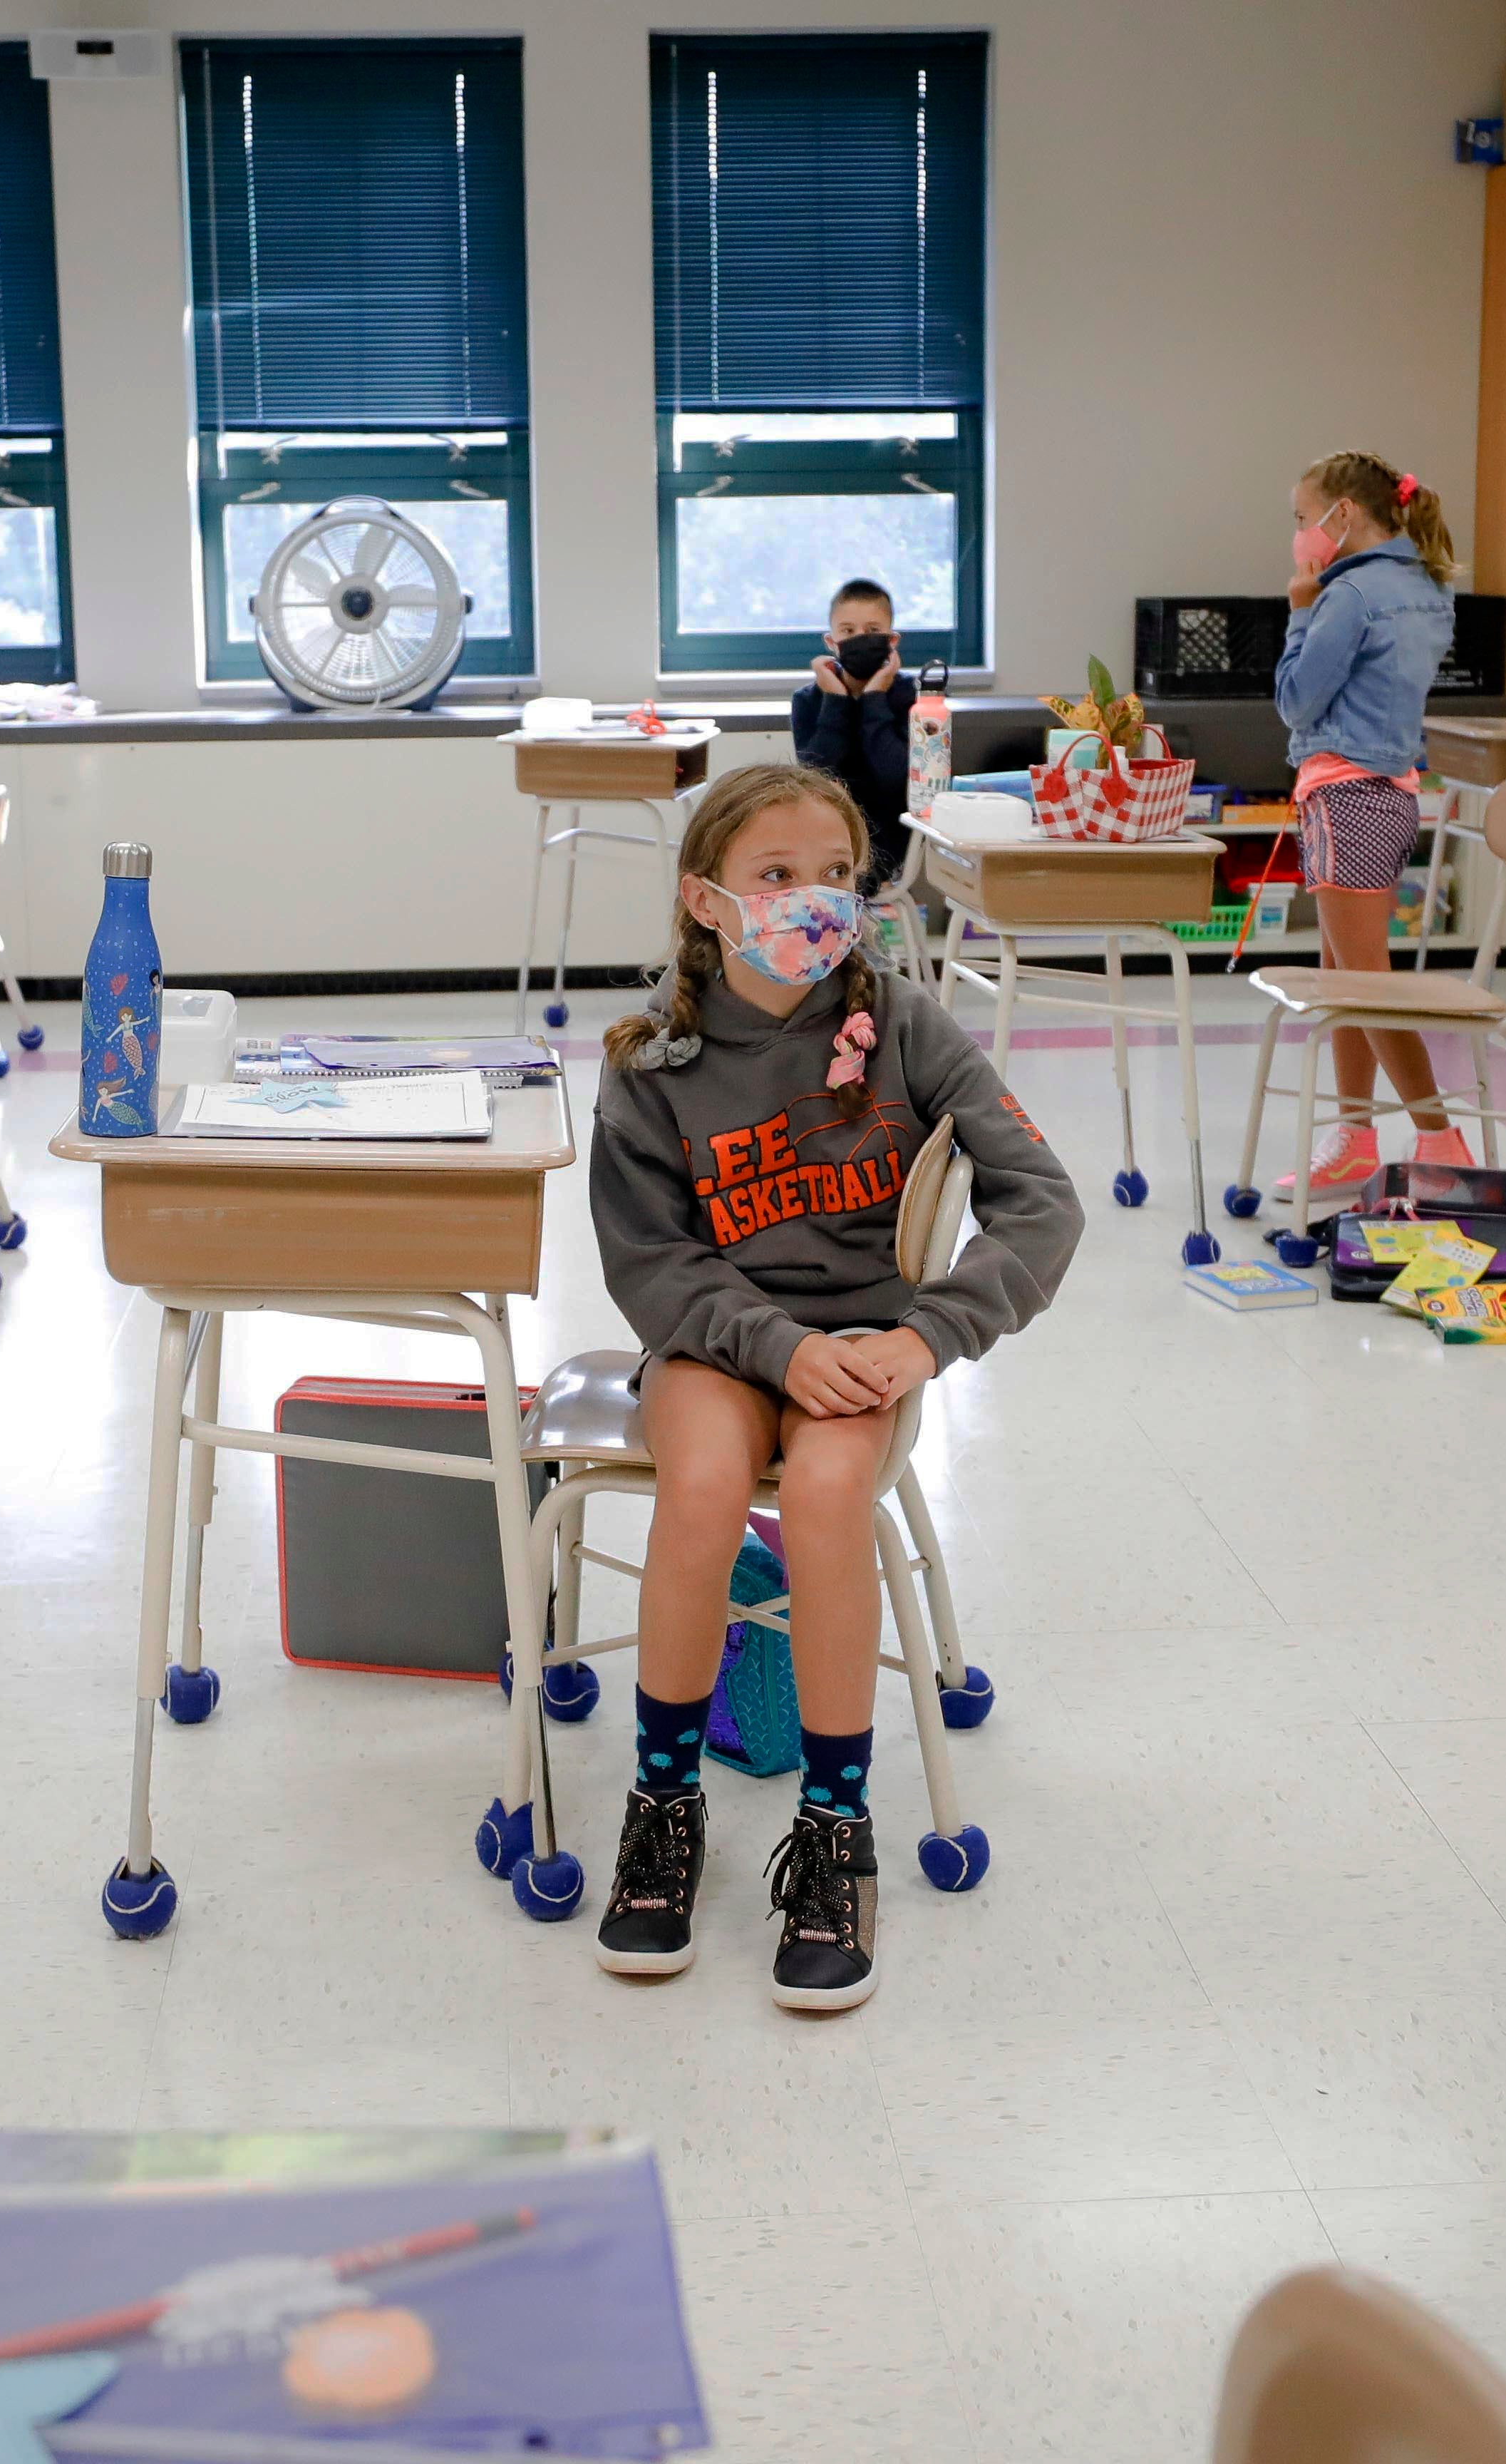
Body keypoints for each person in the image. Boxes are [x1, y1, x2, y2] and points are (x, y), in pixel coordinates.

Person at [589, 762, 1079, 2009]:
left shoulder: (905, 1024)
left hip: (867, 1345)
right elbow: (651, 1264)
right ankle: (661, 1804)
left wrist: (929, 1336)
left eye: (832, 877)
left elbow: (1041, 1202)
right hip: (717, 1345)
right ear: (706, 901)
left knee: (819, 1497)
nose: (809, 900)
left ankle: (834, 1826)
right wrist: (771, 1345)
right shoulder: (651, 1057)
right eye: (773, 877)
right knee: (699, 1485)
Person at [1274, 449, 1465, 1205]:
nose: (1299, 534)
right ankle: (1355, 1138)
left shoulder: (1348, 595)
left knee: (1362, 986)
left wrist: (1297, 612)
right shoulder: (1426, 587)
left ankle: (1442, 1138)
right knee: (1345, 982)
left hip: (1345, 794)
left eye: (1302, 517)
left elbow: (1297, 701)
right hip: (1389, 794)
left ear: (1341, 516)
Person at [787, 579, 917, 891]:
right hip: (824, 832)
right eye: (848, 631)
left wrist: (875, 698)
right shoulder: (808, 700)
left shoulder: (906, 695)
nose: (860, 639)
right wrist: (836, 701)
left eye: (873, 631)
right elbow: (816, 775)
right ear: (832, 642)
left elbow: (894, 777)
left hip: (888, 834)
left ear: (892, 640)